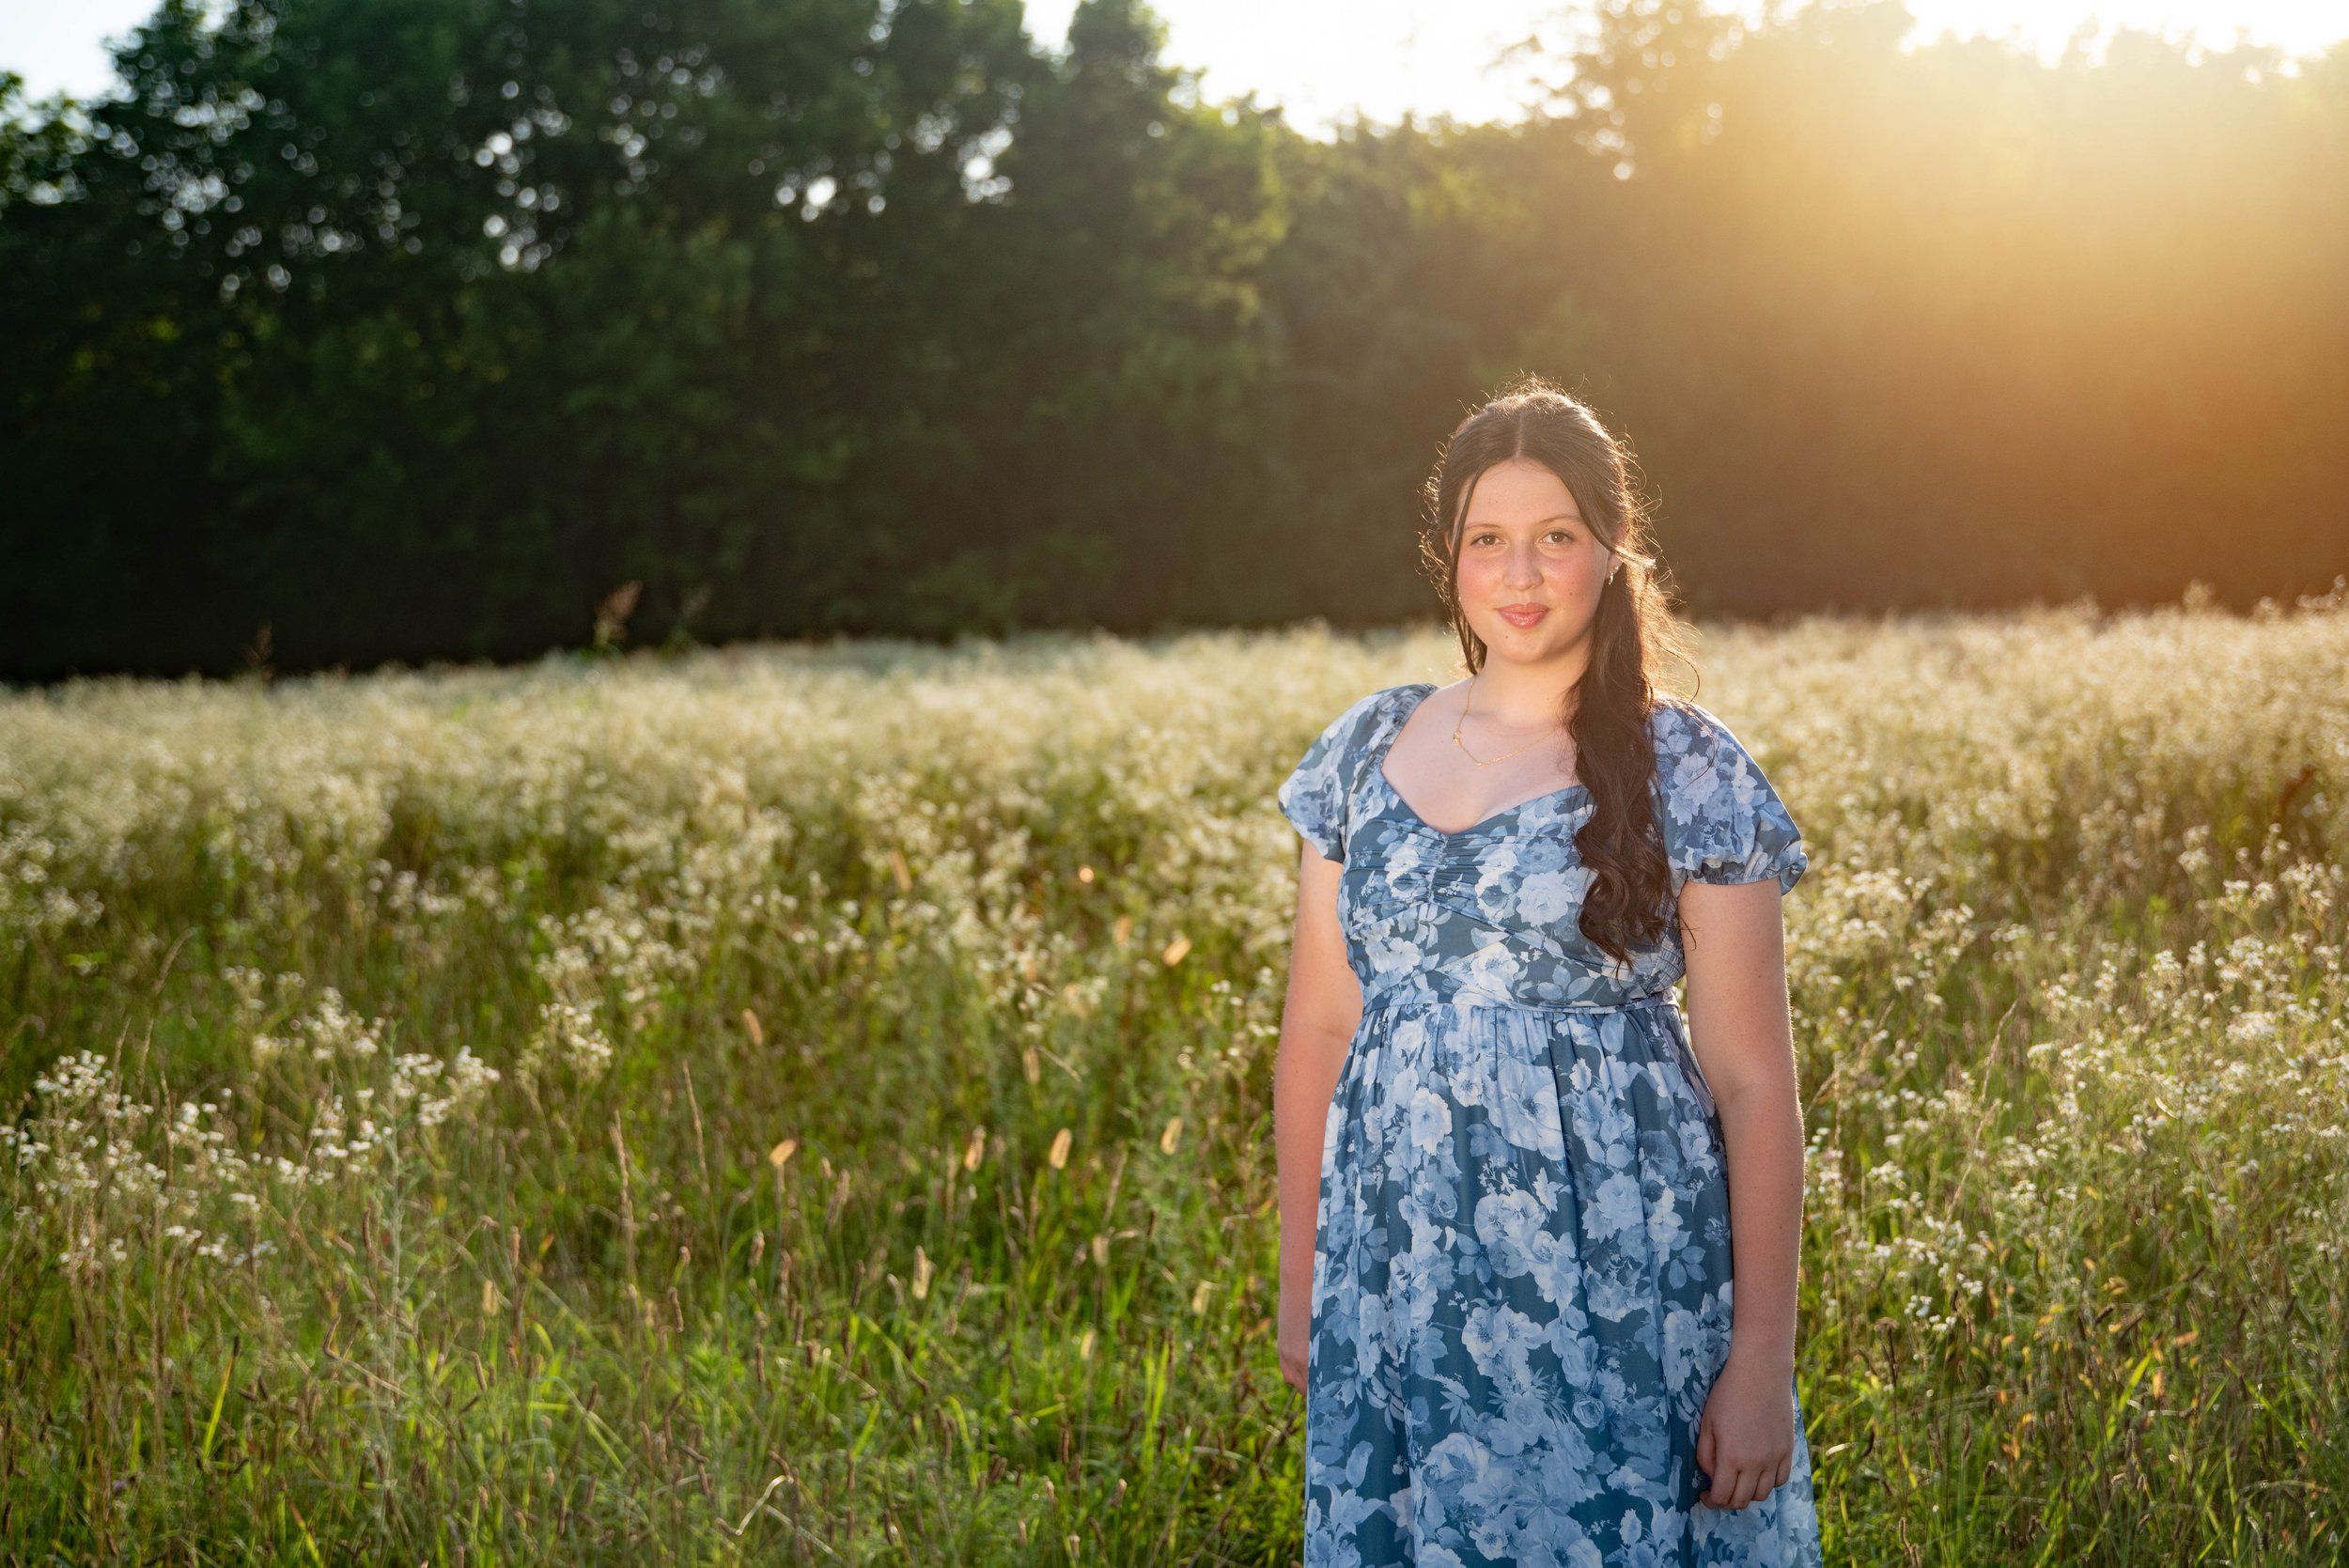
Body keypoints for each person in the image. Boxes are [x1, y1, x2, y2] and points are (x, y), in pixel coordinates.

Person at [1271, 375, 1826, 1565]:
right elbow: (1319, 1029)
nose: (1519, 576)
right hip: (1395, 1277)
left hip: (1614, 1283)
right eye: (1489, 541)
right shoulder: (1366, 748)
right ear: (1450, 559)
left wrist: (1761, 1362)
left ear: (1612, 552)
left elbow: (1750, 1084)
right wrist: (1303, 1279)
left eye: (1555, 538)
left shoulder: (1687, 763)